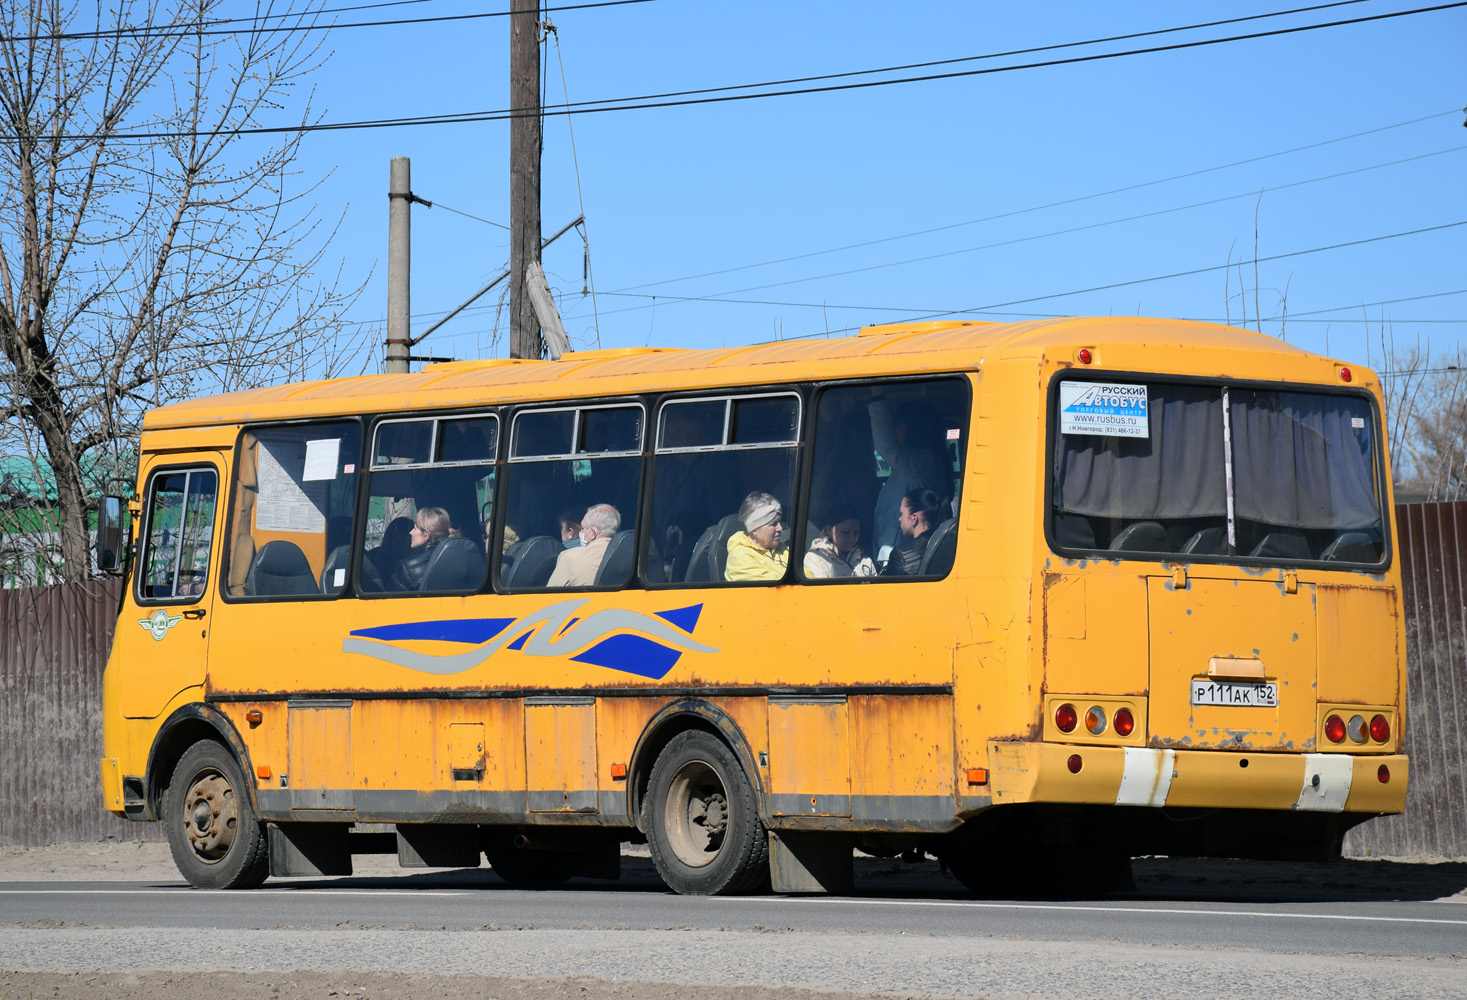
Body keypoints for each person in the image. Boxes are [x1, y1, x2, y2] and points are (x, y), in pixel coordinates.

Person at [869, 393, 948, 565]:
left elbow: (886, 447)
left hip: (905, 562)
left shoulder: (923, 463)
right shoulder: (912, 467)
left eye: (897, 423)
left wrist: (876, 398)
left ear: (913, 427)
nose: (894, 429)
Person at [547, 503, 619, 587]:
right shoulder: (629, 556)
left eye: (583, 528)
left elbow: (549, 596)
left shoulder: (568, 557)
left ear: (593, 532)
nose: (580, 532)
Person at [881, 488, 948, 577]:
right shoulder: (948, 547)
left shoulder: (900, 556)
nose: (900, 519)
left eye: (902, 514)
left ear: (914, 518)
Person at [725, 491, 789, 582]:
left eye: (780, 522)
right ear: (754, 529)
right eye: (773, 524)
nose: (780, 528)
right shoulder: (739, 558)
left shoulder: (785, 550)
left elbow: (809, 577)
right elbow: (772, 588)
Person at [390, 507, 456, 591]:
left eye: (414, 528)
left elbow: (389, 600)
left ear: (426, 535)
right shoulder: (462, 559)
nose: (410, 532)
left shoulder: (406, 568)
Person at [803, 503, 877, 579]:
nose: (852, 538)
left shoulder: (865, 559)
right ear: (829, 530)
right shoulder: (816, 558)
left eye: (856, 532)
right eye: (845, 532)